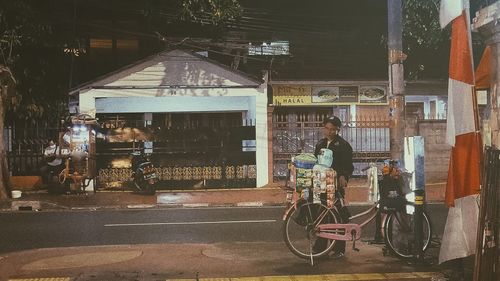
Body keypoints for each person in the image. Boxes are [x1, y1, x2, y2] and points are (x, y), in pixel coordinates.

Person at [313, 115, 354, 259]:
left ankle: (339, 249)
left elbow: (348, 165)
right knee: (322, 216)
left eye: (332, 129)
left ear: (337, 130)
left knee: (338, 217)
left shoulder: (343, 146)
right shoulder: (320, 144)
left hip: (335, 186)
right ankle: (320, 248)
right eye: (327, 128)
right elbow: (315, 162)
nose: (329, 132)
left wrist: (344, 176)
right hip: (321, 184)